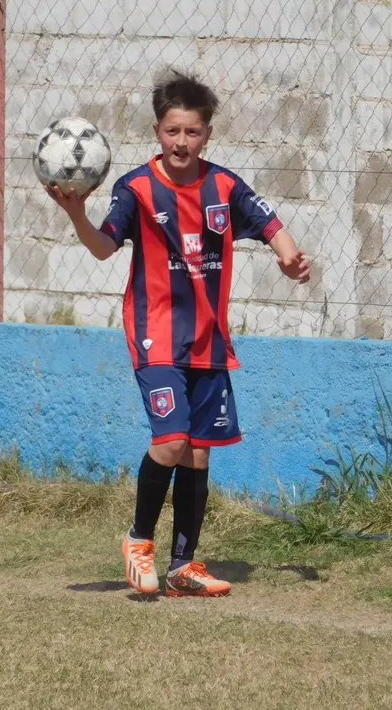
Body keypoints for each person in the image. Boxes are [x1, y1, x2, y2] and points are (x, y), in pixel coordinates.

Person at [46, 71, 311, 596]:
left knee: (198, 451)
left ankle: (183, 565)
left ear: (207, 133)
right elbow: (104, 247)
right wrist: (77, 211)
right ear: (156, 131)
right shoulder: (137, 188)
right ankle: (138, 540)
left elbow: (271, 224)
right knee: (170, 441)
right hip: (156, 335)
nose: (181, 142)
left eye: (192, 132)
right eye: (172, 132)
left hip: (209, 340)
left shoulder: (225, 186)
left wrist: (289, 258)